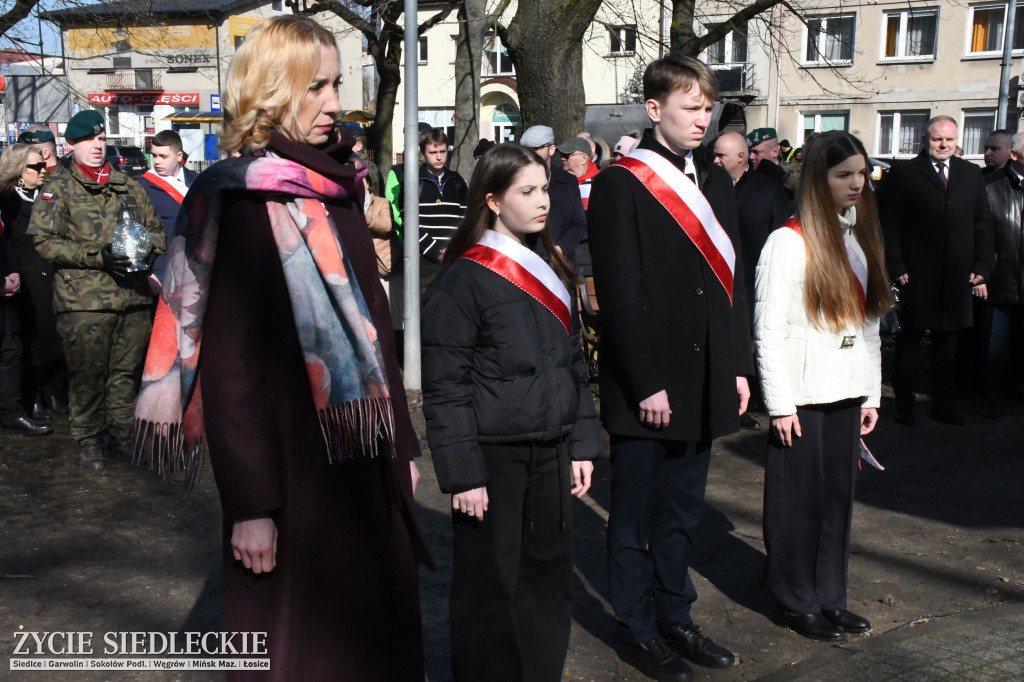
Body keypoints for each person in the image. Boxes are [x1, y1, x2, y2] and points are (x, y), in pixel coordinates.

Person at [131, 16, 431, 681]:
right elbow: (230, 371)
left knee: (370, 641)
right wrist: (251, 507)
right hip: (292, 470)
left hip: (361, 452)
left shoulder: (340, 184)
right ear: (270, 90)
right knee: (302, 650)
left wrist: (402, 450)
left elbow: (374, 331)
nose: (333, 103)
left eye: (336, 83)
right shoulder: (241, 197)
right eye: (314, 87)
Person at [588, 53, 752, 682]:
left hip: (706, 374)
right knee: (633, 516)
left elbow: (728, 285)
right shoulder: (621, 183)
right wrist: (646, 378)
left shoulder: (713, 181)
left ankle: (675, 615)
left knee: (681, 512)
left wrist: (735, 366)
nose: (702, 119)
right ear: (655, 109)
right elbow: (621, 291)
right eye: (691, 107)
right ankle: (636, 629)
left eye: (708, 108)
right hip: (647, 385)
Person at [422, 143, 601, 682]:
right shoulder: (463, 278)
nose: (543, 201)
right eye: (528, 192)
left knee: (547, 575)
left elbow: (573, 362)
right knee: (489, 584)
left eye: (545, 188)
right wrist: (464, 475)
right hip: (493, 459)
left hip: (551, 448)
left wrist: (582, 445)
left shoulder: (550, 265)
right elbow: (445, 385)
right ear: (494, 201)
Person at [754, 130, 889, 642]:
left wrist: (871, 394)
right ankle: (795, 597)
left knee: (836, 501)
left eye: (861, 173)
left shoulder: (856, 237)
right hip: (804, 398)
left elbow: (870, 324)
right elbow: (768, 329)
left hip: (847, 394)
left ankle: (831, 596)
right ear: (818, 179)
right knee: (797, 505)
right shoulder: (787, 242)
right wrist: (781, 404)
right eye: (844, 175)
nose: (857, 184)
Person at [27, 109, 164, 469]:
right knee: (87, 377)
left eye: (101, 139)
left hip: (131, 298)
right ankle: (89, 440)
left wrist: (143, 248)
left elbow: (158, 232)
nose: (97, 146)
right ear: (71, 145)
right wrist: (96, 255)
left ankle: (122, 436)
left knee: (124, 375)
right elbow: (43, 242)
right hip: (84, 302)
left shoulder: (128, 186)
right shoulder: (58, 189)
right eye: (88, 140)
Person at [879, 115, 994, 425]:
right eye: (937, 139)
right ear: (926, 140)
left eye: (949, 139)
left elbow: (982, 222)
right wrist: (896, 264)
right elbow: (889, 223)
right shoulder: (904, 174)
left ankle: (943, 403)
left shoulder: (970, 174)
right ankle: (903, 405)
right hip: (916, 274)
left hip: (957, 275)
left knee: (948, 345)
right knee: (910, 343)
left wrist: (982, 266)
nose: (944, 144)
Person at [714, 130, 789, 429]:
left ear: (741, 158)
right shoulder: (707, 186)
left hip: (755, 277)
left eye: (722, 155)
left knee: (756, 339)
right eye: (715, 154)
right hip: (721, 276)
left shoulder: (768, 190)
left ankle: (753, 397)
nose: (716, 160)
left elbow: (780, 232)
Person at [0, 145, 55, 436]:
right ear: (19, 170)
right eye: (35, 166)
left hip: (36, 280)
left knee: (31, 343)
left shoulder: (46, 197)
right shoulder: (6, 201)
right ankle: (21, 405)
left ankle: (38, 398)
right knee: (16, 348)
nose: (42, 170)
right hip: (15, 285)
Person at [979, 131, 1024, 417]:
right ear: (1016, 155)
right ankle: (989, 398)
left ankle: (1016, 389)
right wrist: (981, 274)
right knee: (992, 350)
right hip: (1000, 283)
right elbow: (980, 237)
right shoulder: (988, 187)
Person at [397, 128, 469, 266]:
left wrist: (455, 248)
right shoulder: (411, 182)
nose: (439, 157)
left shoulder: (457, 180)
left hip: (455, 258)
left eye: (442, 151)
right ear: (423, 152)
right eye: (433, 152)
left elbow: (466, 219)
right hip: (424, 261)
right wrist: (436, 252)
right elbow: (410, 225)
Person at [137, 129, 198, 288]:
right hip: (162, 271)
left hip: (195, 269)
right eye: (154, 155)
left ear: (179, 156)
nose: (157, 161)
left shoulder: (198, 181)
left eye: (163, 156)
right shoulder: (142, 187)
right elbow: (138, 233)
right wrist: (148, 273)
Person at [520, 124, 588, 265]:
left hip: (558, 263)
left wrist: (561, 248)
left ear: (551, 149)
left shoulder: (568, 182)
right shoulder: (516, 180)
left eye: (537, 148)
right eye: (526, 150)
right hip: (526, 261)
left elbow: (578, 224)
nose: (530, 154)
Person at [557, 136, 600, 211]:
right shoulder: (556, 180)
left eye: (567, 155)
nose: (562, 158)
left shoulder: (600, 182)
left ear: (584, 158)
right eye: (562, 154)